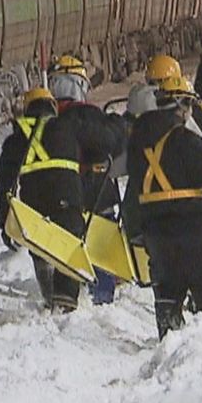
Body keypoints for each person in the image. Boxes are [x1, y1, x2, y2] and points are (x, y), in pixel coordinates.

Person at [128, 75, 202, 337]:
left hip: (155, 229)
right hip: (191, 228)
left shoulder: (137, 140)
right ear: (181, 105)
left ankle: (169, 340)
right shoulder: (185, 139)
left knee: (167, 293)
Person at [0, 87, 84, 312]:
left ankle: (48, 293)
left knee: (41, 250)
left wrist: (5, 222)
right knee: (68, 245)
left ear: (27, 110)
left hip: (35, 209)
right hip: (67, 206)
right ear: (53, 106)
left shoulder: (15, 139)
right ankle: (66, 300)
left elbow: (5, 185)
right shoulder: (68, 128)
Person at [50, 55, 128, 304]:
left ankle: (70, 290)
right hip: (96, 194)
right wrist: (118, 123)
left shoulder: (48, 121)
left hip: (63, 197)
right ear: (80, 85)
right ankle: (100, 295)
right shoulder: (88, 116)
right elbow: (111, 141)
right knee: (101, 247)